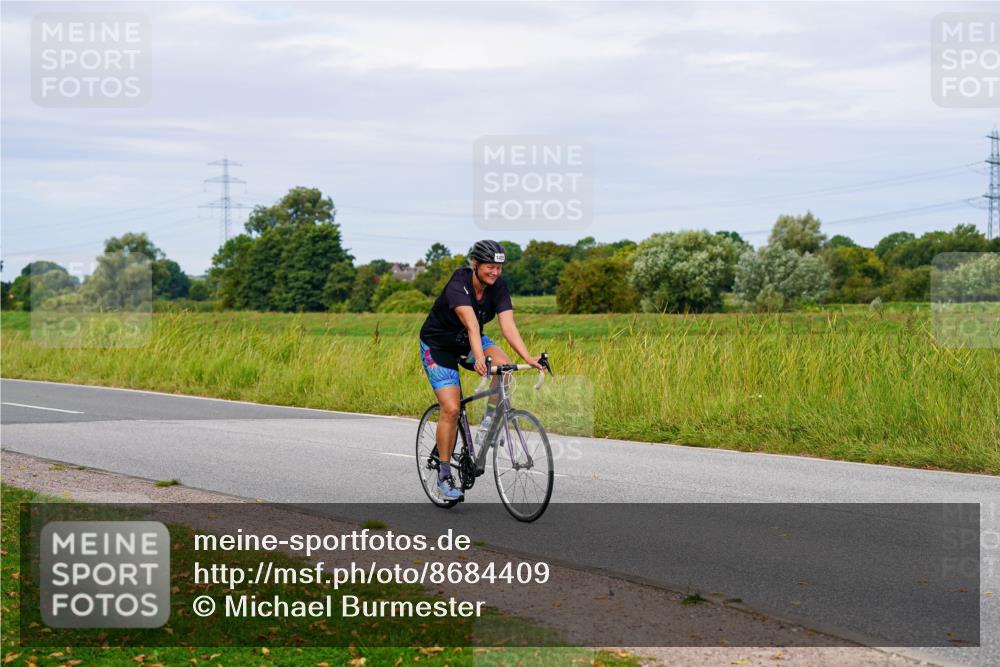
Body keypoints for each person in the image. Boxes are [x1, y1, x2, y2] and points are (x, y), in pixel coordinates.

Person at [418, 239, 544, 500]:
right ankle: (443, 475)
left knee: (505, 369)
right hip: (439, 346)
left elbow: (508, 327)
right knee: (451, 409)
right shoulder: (458, 284)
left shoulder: (498, 288)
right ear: (475, 264)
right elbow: (472, 325)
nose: (495, 273)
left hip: (467, 341)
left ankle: (487, 424)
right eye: (489, 267)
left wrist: (528, 357)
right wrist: (478, 358)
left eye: (499, 268)